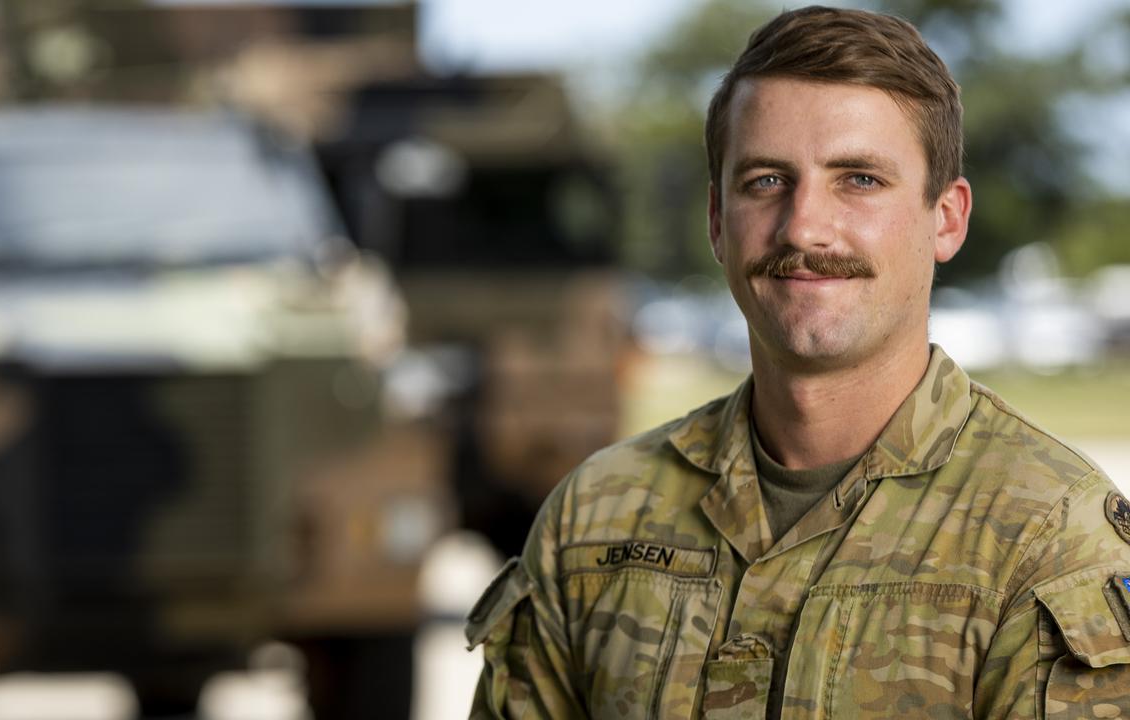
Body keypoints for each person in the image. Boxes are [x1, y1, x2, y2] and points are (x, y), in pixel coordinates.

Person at [464, 6, 1130, 719]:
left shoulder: (1049, 541)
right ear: (718, 221)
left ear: (947, 218)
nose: (805, 226)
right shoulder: (593, 520)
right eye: (765, 181)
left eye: (860, 180)